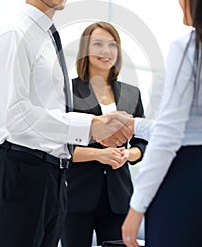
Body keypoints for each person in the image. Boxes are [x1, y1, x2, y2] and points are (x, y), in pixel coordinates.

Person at [0, 0, 133, 247]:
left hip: (53, 174)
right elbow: (17, 116)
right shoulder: (16, 33)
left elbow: (47, 110)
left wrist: (98, 128)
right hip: (22, 170)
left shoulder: (47, 37)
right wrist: (90, 126)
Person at [121, 0, 202, 247]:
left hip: (187, 177)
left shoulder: (188, 47)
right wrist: (136, 125)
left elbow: (170, 133)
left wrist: (137, 205)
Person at [61, 21, 148, 247]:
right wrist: (98, 155)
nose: (106, 51)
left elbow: (143, 141)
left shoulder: (131, 93)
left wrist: (128, 155)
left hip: (118, 197)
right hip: (77, 196)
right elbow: (58, 143)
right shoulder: (68, 91)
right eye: (98, 44)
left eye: (112, 45)